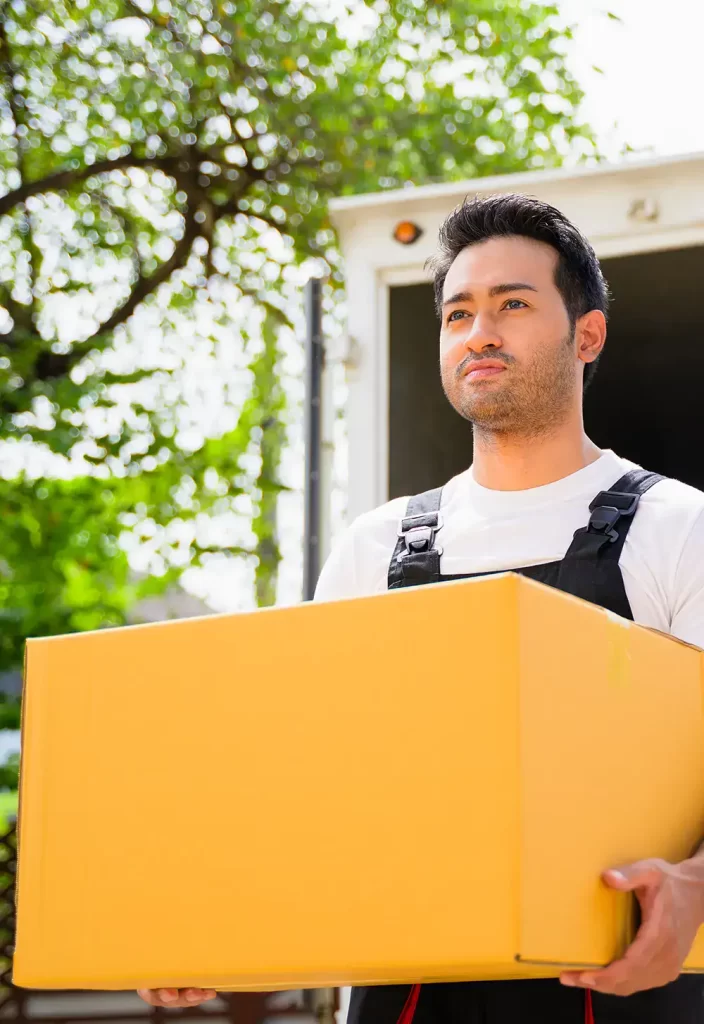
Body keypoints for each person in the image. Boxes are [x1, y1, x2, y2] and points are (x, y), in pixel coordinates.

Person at [138, 194, 704, 1021]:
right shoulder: (375, 547)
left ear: (587, 335)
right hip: (404, 991)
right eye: (458, 314)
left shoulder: (678, 527)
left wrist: (693, 887)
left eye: (512, 304)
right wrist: (220, 931)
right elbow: (313, 786)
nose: (480, 331)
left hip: (620, 986)